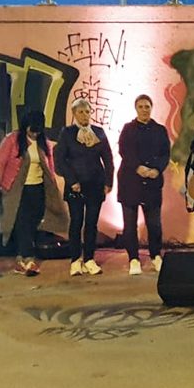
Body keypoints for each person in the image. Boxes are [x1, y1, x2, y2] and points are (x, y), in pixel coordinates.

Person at [0, 110, 68, 276]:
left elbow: (50, 166)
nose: (34, 133)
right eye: (32, 129)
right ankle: (27, 259)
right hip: (16, 189)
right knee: (22, 222)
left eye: (38, 130)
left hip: (38, 187)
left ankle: (22, 257)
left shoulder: (44, 143)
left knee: (35, 220)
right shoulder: (12, 140)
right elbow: (0, 162)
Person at [54, 99, 114, 277]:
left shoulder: (99, 132)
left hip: (95, 184)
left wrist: (108, 182)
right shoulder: (67, 133)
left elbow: (108, 159)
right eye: (80, 112)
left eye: (87, 111)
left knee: (91, 223)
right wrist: (72, 180)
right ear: (74, 114)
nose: (84, 115)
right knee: (76, 222)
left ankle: (89, 258)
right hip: (76, 186)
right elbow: (60, 160)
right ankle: (75, 260)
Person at [117, 94, 171, 275]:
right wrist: (137, 167)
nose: (144, 110)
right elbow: (124, 150)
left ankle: (156, 256)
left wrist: (157, 169)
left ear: (151, 108)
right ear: (136, 109)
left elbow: (165, 154)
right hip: (130, 183)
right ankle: (133, 258)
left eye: (147, 106)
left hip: (152, 183)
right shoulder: (128, 129)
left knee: (154, 224)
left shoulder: (160, 130)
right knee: (130, 225)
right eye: (140, 106)